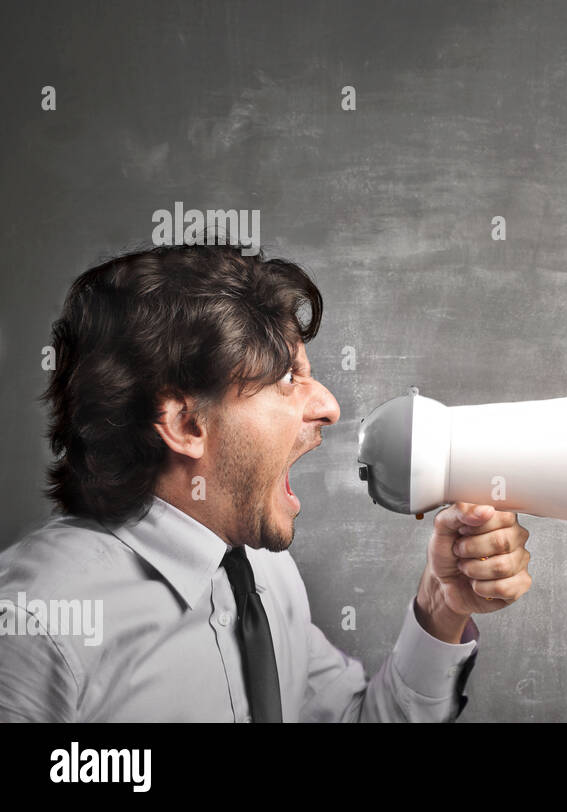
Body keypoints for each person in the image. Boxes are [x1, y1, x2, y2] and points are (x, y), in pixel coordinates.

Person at [0, 243, 532, 722]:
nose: (328, 406)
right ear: (186, 425)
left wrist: (441, 607)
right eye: (286, 378)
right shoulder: (34, 624)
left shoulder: (262, 572)